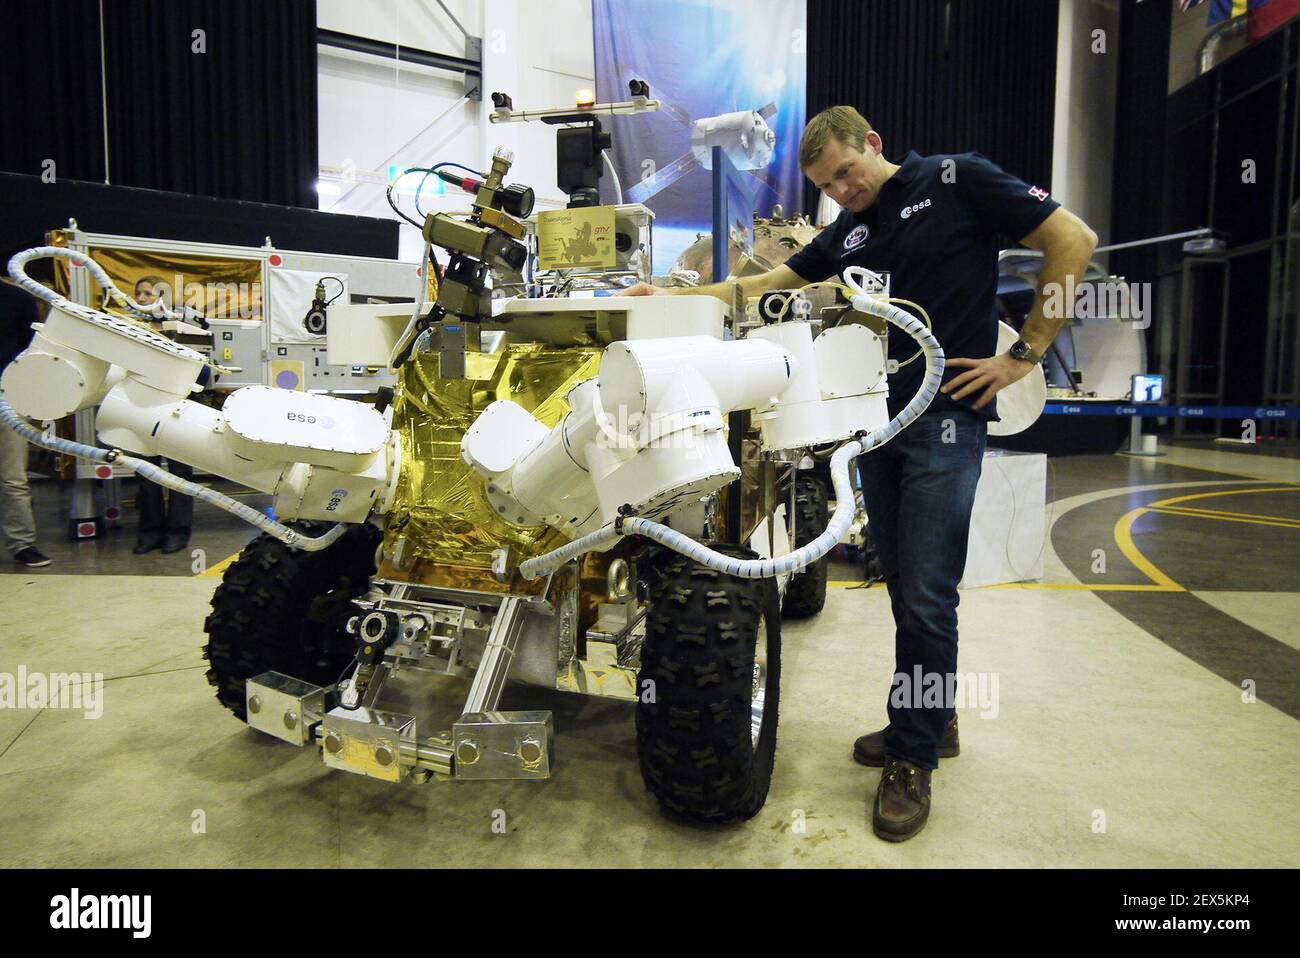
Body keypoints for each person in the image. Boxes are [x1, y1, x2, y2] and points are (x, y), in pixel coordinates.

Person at [627, 105, 1097, 841]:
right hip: (877, 426)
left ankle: (911, 759)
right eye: (827, 183)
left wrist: (1026, 354)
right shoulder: (850, 233)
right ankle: (931, 720)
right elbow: (764, 283)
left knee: (928, 598)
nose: (842, 189)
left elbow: (1073, 238)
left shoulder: (957, 180)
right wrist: (672, 297)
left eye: (847, 171)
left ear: (874, 144)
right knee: (907, 587)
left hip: (946, 422)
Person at [130, 275, 194, 554]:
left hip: (175, 406)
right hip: (141, 405)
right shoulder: (129, 328)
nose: (142, 299)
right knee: (146, 473)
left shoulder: (183, 325)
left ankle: (178, 532)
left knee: (179, 472)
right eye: (139, 294)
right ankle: (150, 531)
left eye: (148, 294)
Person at [0, 275, 52, 568]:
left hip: (6, 394)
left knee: (12, 476)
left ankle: (22, 543)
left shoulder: (16, 299)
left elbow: (30, 348)